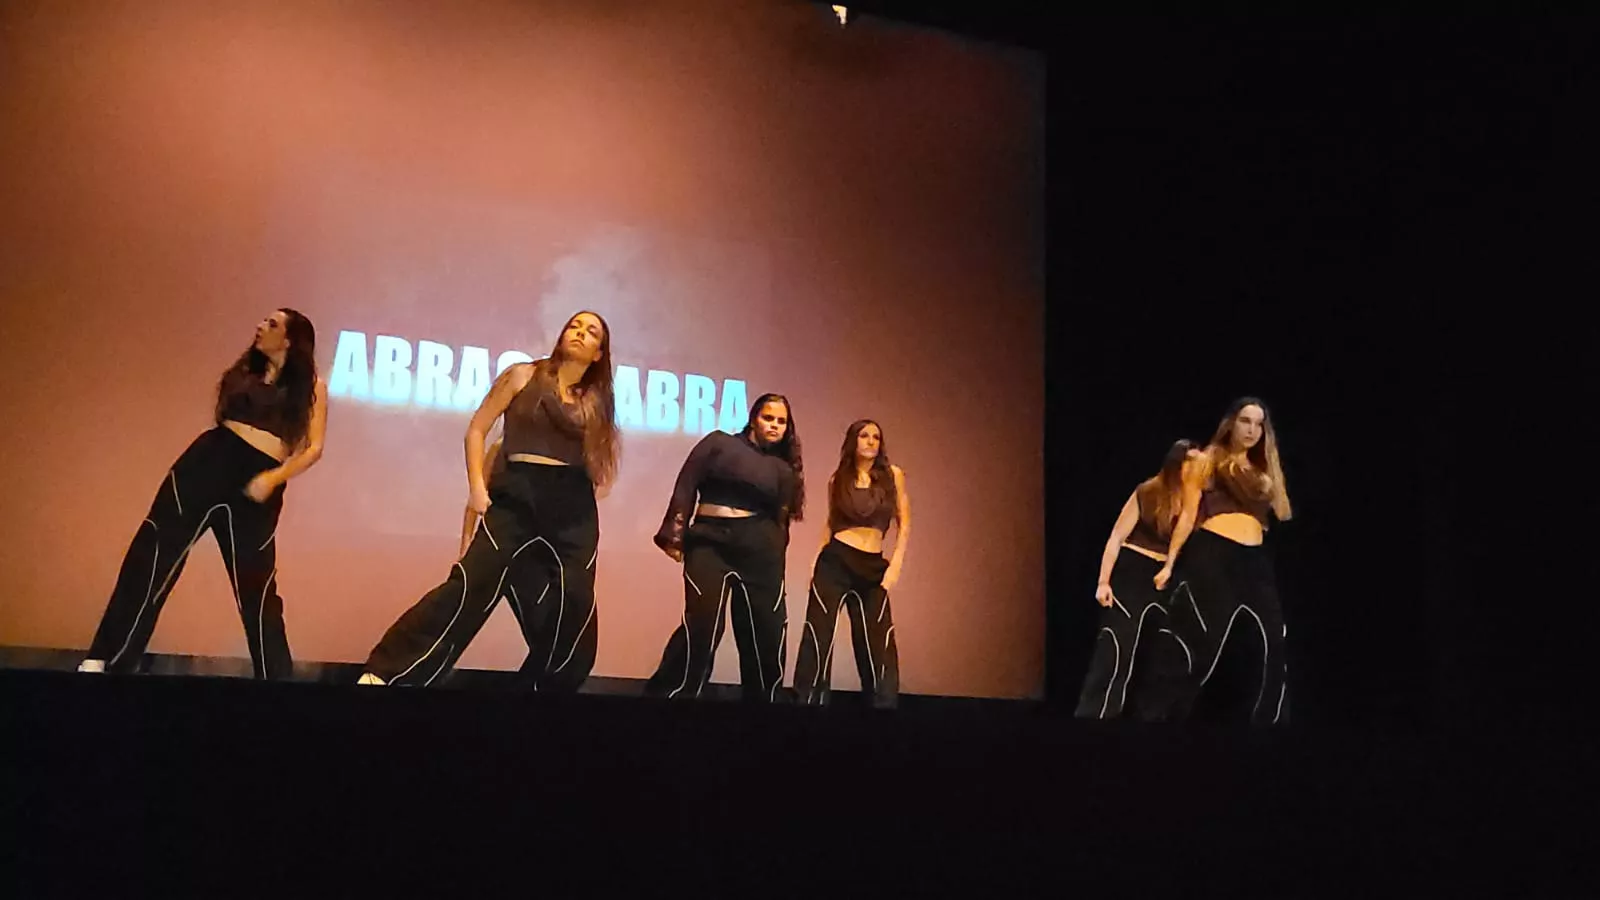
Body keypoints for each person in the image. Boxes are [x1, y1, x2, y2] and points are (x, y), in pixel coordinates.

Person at [357, 311, 620, 690]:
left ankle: (544, 687)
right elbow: (477, 429)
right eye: (574, 326)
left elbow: (599, 463)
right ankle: (387, 672)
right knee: (468, 587)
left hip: (572, 505)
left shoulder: (596, 400)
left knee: (576, 600)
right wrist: (477, 489)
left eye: (591, 331)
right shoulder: (523, 375)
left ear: (599, 353)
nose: (579, 333)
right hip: (517, 495)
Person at [79, 309, 327, 679]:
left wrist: (273, 479)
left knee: (258, 591)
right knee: (151, 556)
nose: (260, 326)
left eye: (272, 324)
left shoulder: (312, 387)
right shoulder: (245, 373)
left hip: (258, 484)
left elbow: (314, 447)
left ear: (291, 340)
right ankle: (105, 658)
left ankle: (276, 681)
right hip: (208, 465)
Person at [643, 394, 803, 702]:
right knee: (703, 625)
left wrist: (777, 561)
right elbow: (687, 483)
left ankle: (764, 705)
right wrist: (674, 535)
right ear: (754, 418)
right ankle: (675, 696)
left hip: (760, 550)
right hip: (710, 542)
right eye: (768, 418)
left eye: (781, 421)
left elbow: (781, 519)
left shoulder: (782, 469)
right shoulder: (718, 443)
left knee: (764, 633)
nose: (774, 425)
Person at [1147, 397, 1294, 724]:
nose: (1252, 430)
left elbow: (1279, 515)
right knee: (1201, 643)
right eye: (1246, 421)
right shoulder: (1207, 460)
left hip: (1255, 561)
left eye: (1259, 424)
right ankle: (1160, 723)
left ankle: (1272, 731)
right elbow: (1187, 515)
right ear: (1231, 423)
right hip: (1214, 552)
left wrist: (1269, 481)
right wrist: (1170, 563)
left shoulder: (1263, 472)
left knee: (1273, 644)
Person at [1074, 439, 1202, 719]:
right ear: (1177, 464)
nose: (1196, 470)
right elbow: (1117, 537)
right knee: (1117, 651)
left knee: (1163, 656)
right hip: (1133, 571)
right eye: (1191, 463)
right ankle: (1094, 718)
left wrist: (1170, 567)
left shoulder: (1198, 502)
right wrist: (1103, 581)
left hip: (1166, 579)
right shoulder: (1149, 491)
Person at [793, 419, 911, 708]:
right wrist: (815, 561)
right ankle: (806, 705)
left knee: (878, 646)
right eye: (864, 435)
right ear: (853, 441)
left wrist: (895, 565)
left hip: (872, 567)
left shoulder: (892, 475)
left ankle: (882, 709)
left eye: (876, 437)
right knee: (818, 638)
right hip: (835, 562)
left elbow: (904, 523)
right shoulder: (838, 479)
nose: (871, 441)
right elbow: (831, 523)